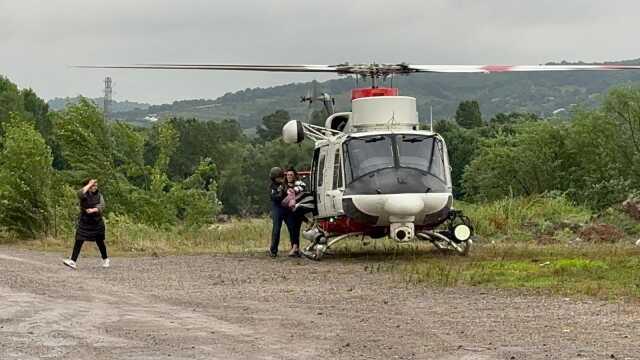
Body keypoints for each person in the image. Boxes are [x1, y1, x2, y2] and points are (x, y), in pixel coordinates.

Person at [63, 179, 109, 269]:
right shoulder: (84, 194)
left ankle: (105, 259)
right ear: (88, 186)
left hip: (97, 222)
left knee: (100, 241)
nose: (95, 187)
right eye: (93, 185)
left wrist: (93, 210)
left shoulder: (99, 195)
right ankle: (73, 261)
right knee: (79, 239)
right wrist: (89, 184)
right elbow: (79, 193)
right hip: (85, 221)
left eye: (96, 185)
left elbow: (102, 206)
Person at [282, 168, 306, 257]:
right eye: (288, 175)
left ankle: (295, 248)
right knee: (292, 229)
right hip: (288, 212)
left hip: (298, 211)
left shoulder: (299, 185)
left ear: (295, 176)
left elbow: (303, 191)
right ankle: (295, 247)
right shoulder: (284, 186)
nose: (289, 176)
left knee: (296, 229)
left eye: (291, 175)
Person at [268, 167, 287, 257]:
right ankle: (273, 250)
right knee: (276, 229)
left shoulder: (285, 184)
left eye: (280, 177)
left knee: (292, 228)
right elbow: (273, 197)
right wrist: (280, 193)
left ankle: (295, 248)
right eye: (277, 177)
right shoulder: (272, 186)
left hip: (287, 207)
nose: (279, 179)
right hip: (277, 208)